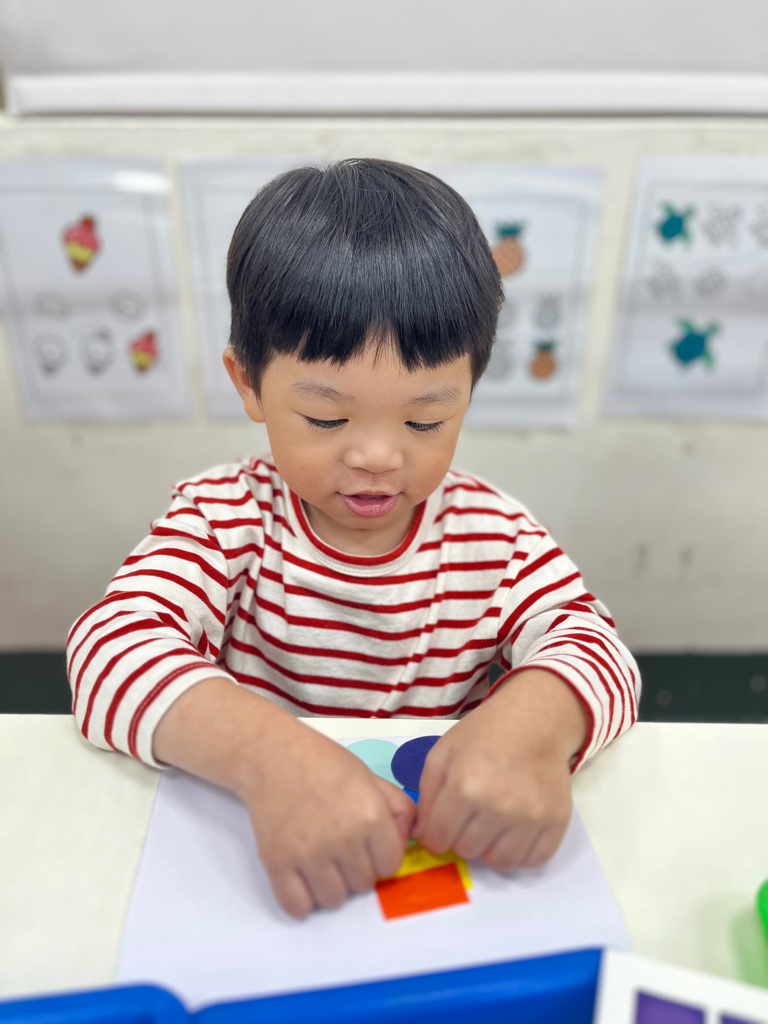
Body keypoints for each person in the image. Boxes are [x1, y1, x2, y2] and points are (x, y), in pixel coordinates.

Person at [67, 158, 639, 919]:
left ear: (470, 390)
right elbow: (109, 648)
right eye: (327, 419)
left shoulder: (495, 540)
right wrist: (270, 759)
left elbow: (596, 647)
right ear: (248, 384)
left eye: (426, 421)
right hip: (261, 859)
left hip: (435, 881)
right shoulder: (222, 518)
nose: (377, 456)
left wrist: (532, 729)